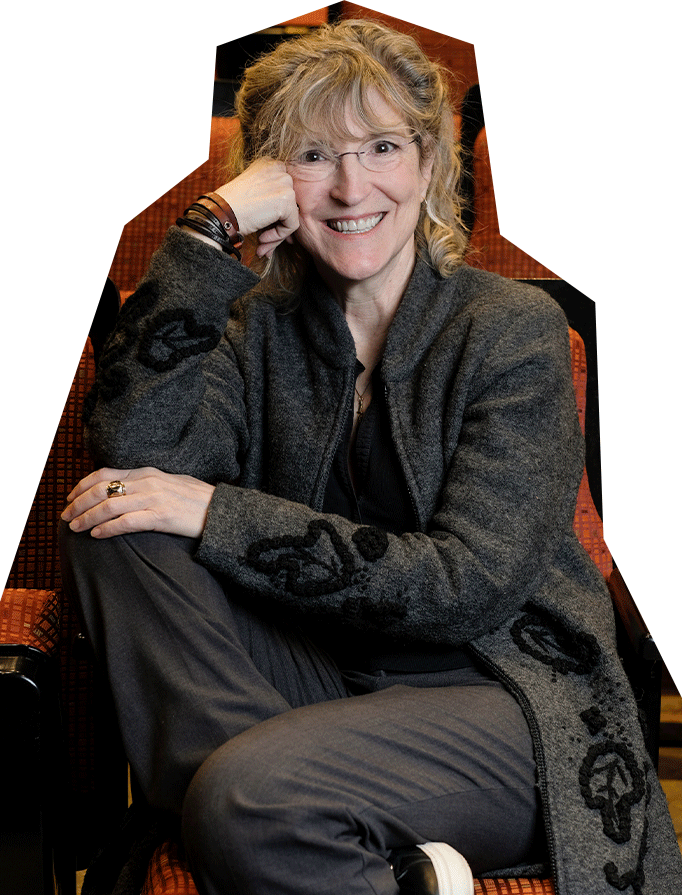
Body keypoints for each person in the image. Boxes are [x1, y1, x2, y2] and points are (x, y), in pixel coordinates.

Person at [60, 19, 682, 895]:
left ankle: (262, 808)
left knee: (244, 795)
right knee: (112, 514)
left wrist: (218, 512)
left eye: (383, 146)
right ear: (275, 182)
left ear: (428, 165)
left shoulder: (510, 329)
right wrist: (209, 233)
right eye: (313, 157)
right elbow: (132, 450)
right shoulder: (255, 330)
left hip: (501, 705)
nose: (352, 186)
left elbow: (466, 585)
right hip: (312, 689)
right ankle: (358, 846)